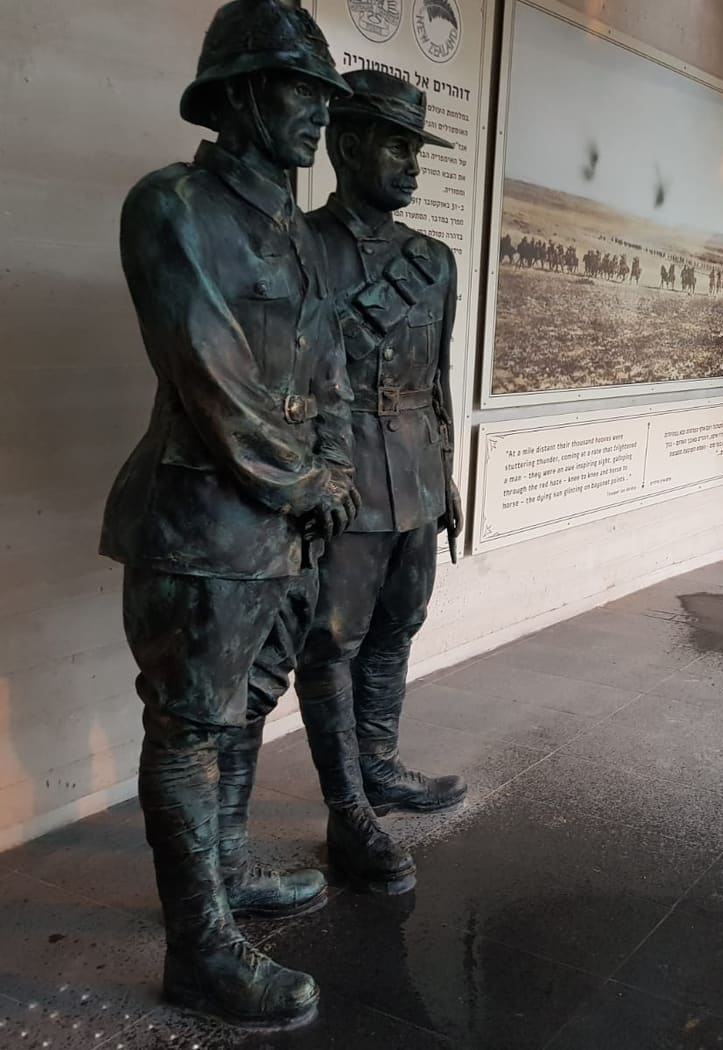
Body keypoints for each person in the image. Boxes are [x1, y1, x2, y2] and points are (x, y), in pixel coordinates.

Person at [99, 0, 356, 1029]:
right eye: (302, 91)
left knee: (247, 707)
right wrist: (301, 483)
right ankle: (197, 948)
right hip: (201, 525)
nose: (317, 116)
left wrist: (329, 472)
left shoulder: (299, 230)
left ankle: (228, 864)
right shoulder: (169, 205)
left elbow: (327, 373)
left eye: (325, 97)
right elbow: (209, 375)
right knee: (190, 727)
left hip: (283, 526)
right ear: (243, 94)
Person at [288, 69, 467, 889]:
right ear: (347, 143)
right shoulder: (299, 245)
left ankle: (382, 764)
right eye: (398, 144)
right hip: (344, 479)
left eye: (417, 149)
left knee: (400, 625)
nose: (413, 165)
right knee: (330, 645)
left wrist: (449, 476)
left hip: (417, 482)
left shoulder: (435, 261)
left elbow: (439, 378)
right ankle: (347, 811)